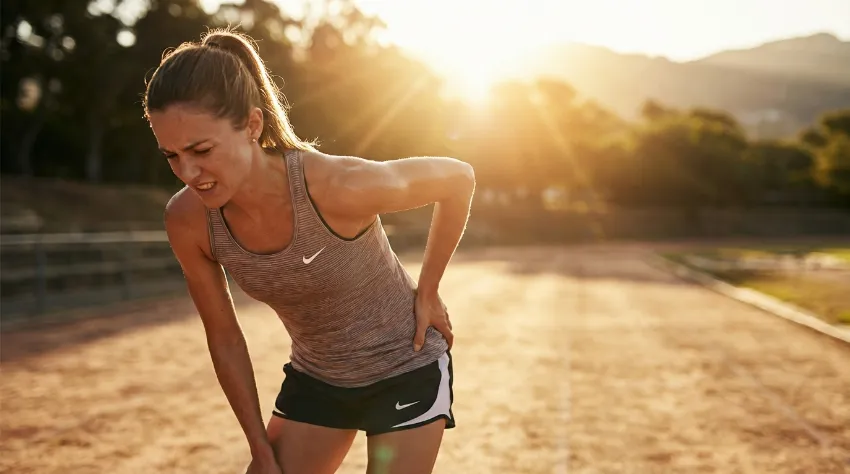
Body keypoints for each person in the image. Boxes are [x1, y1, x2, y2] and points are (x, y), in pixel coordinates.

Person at [142, 28, 475, 474]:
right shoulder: (188, 221)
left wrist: (428, 290)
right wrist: (260, 448)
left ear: (252, 126)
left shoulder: (336, 187)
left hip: (405, 365)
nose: (188, 172)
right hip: (318, 380)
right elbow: (223, 337)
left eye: (201, 150)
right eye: (171, 156)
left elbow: (457, 179)